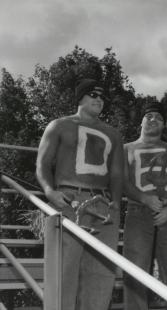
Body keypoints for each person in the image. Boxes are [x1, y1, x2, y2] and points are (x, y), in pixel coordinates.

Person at [36, 79, 124, 310]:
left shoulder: (113, 134)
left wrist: (116, 202)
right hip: (67, 200)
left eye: (103, 96)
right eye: (92, 93)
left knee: (101, 273)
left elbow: (116, 173)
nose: (99, 98)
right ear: (79, 98)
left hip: (103, 204)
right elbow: (42, 164)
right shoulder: (59, 126)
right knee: (64, 271)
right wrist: (49, 191)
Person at [122, 101, 167, 310]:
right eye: (149, 116)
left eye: (159, 118)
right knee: (135, 273)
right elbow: (122, 181)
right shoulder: (126, 149)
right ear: (140, 122)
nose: (153, 120)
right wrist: (144, 198)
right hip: (137, 212)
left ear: (164, 126)